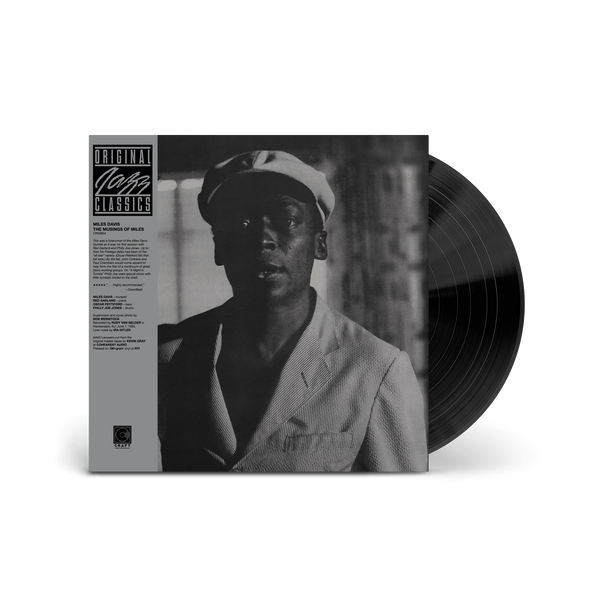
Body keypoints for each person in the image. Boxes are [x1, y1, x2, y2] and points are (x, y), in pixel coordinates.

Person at [158, 150, 427, 471]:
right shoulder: (165, 354)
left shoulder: (376, 369)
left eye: (286, 221)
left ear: (320, 244)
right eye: (241, 223)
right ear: (219, 247)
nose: (263, 239)